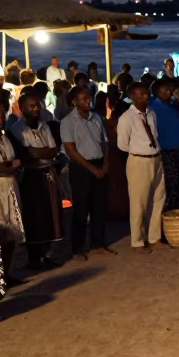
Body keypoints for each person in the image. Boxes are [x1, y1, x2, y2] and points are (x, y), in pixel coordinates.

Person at [60, 86, 114, 261]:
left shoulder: (96, 117)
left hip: (98, 162)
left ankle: (97, 244)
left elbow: (104, 142)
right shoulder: (68, 122)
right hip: (81, 167)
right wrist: (92, 169)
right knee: (81, 209)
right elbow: (71, 151)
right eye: (83, 99)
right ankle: (77, 249)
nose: (87, 101)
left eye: (88, 98)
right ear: (74, 101)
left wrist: (105, 163)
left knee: (99, 207)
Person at [116, 81, 168, 253]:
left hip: (156, 158)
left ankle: (154, 237)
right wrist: (140, 150)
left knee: (158, 198)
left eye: (145, 93)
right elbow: (122, 145)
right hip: (139, 160)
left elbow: (155, 135)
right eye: (139, 94)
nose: (144, 96)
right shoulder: (126, 118)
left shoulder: (151, 113)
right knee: (139, 202)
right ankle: (137, 241)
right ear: (131, 97)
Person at [15, 94, 64, 270]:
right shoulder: (16, 129)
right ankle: (34, 258)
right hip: (31, 177)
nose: (36, 109)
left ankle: (46, 254)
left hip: (47, 173)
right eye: (32, 106)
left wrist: (39, 152)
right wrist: (41, 152)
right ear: (22, 108)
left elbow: (53, 150)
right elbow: (29, 155)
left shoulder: (44, 126)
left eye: (37, 106)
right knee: (35, 217)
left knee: (51, 216)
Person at [0, 102, 24, 294]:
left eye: (1, 116)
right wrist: (8, 166)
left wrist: (10, 166)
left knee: (11, 233)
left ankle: (6, 274)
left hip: (10, 185)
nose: (0, 120)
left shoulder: (5, 138)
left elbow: (15, 159)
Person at [152, 79, 179, 211]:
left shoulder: (172, 104)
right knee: (169, 181)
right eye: (165, 90)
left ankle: (178, 206)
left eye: (169, 89)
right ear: (158, 93)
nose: (169, 92)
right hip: (164, 149)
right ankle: (169, 209)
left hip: (177, 146)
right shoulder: (153, 108)